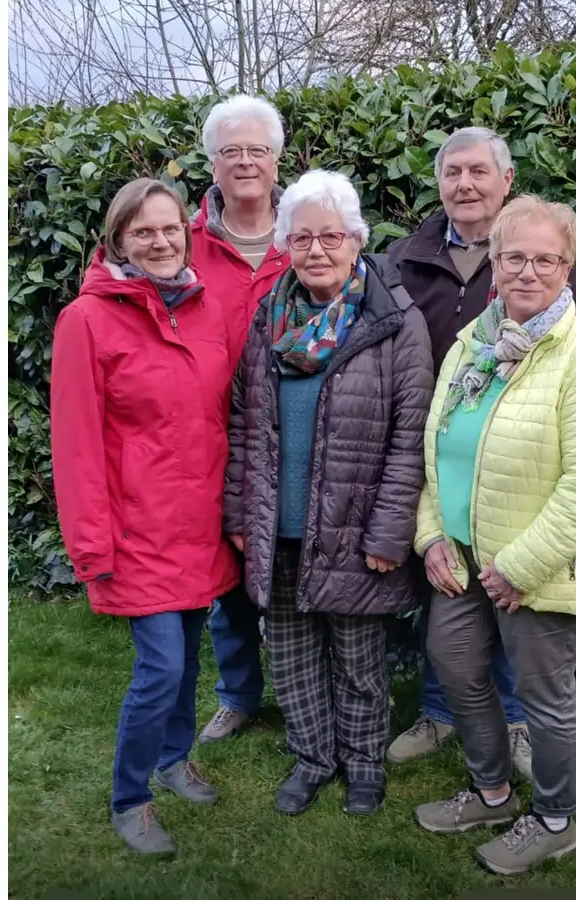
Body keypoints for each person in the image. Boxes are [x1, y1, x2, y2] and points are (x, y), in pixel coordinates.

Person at [410, 195, 576, 876]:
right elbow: (435, 447)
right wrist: (431, 538)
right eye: (514, 257)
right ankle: (491, 790)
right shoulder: (471, 346)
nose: (528, 271)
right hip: (464, 555)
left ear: (567, 268)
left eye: (546, 259)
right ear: (493, 262)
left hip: (537, 569)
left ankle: (555, 818)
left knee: (544, 699)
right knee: (455, 665)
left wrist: (521, 566)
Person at [223, 169, 434, 817]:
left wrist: (389, 531)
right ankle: (314, 757)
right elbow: (241, 422)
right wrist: (239, 514)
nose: (316, 250)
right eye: (302, 237)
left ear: (356, 240)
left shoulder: (393, 321)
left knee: (358, 659)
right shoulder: (268, 318)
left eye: (330, 236)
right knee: (290, 653)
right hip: (277, 527)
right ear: (285, 244)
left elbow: (411, 435)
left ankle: (363, 762)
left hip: (355, 526)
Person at [382, 127, 576, 776]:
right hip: (438, 445)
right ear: (439, 182)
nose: (465, 184)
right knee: (446, 589)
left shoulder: (538, 253)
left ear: (506, 179)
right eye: (452, 173)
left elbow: (568, 344)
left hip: (516, 456)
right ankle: (441, 714)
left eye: (479, 171)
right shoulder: (405, 257)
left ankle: (519, 722)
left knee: (510, 591)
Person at [50, 178, 240, 856]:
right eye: (143, 232)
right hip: (136, 533)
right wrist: (93, 547)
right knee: (159, 668)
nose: (159, 242)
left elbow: (219, 420)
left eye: (170, 229)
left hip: (198, 527)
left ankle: (173, 757)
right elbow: (74, 444)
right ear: (117, 240)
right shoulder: (87, 321)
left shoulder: (204, 308)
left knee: (188, 660)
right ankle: (131, 796)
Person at [188, 94, 294, 744]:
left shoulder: (309, 232)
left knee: (297, 571)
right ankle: (238, 695)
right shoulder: (183, 242)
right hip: (211, 437)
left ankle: (308, 693)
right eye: (232, 151)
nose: (246, 161)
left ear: (278, 159)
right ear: (213, 162)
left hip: (297, 433)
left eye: (258, 149)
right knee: (225, 576)